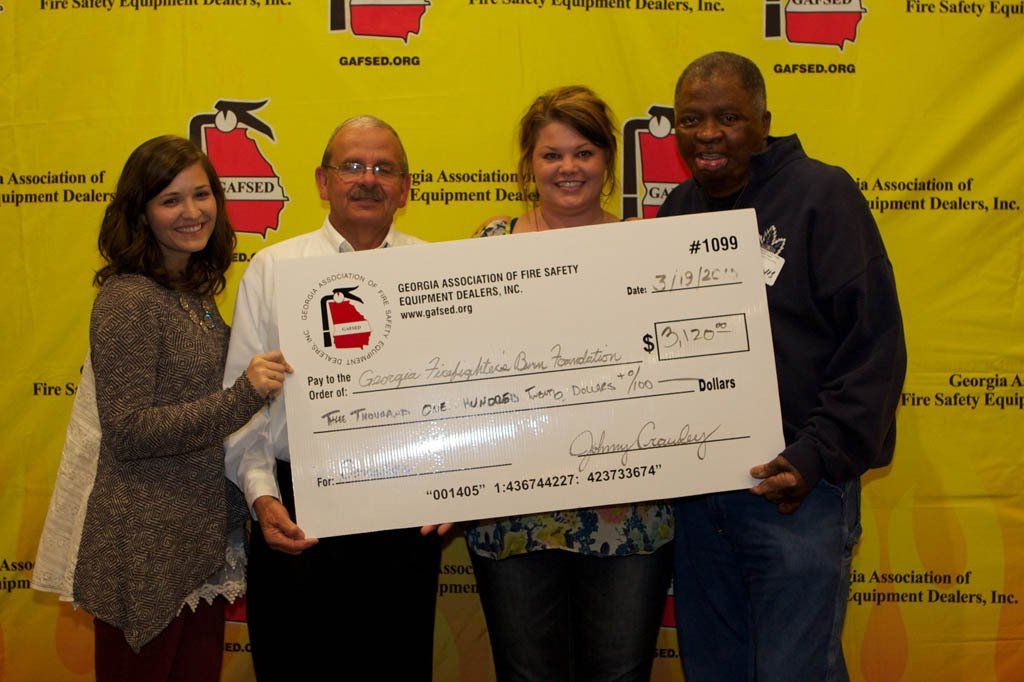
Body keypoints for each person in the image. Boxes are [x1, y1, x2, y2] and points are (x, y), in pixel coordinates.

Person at [658, 52, 907, 681]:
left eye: (729, 117)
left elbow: (873, 346)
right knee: (716, 671)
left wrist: (817, 455)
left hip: (798, 496)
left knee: (797, 673)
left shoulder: (823, 194)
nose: (708, 134)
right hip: (702, 500)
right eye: (691, 119)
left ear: (764, 120)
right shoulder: (677, 211)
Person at [223, 116, 446, 680]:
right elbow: (241, 407)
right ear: (323, 182)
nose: (366, 179)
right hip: (297, 516)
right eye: (351, 166)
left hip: (405, 511)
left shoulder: (440, 272)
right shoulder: (272, 270)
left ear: (405, 188)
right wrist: (262, 501)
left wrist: (454, 483)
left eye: (383, 168)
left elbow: (457, 398)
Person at [467, 85, 674, 682]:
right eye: (551, 154)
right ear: (529, 164)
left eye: (583, 152)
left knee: (619, 673)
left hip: (627, 513)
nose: (567, 168)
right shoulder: (489, 247)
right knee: (527, 675)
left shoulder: (648, 247)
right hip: (513, 514)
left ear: (608, 161)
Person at [65, 135, 289, 681]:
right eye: (170, 200)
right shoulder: (128, 299)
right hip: (146, 551)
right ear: (139, 213)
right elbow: (129, 430)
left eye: (201, 194)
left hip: (199, 544)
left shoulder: (193, 294)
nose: (192, 212)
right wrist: (244, 395)